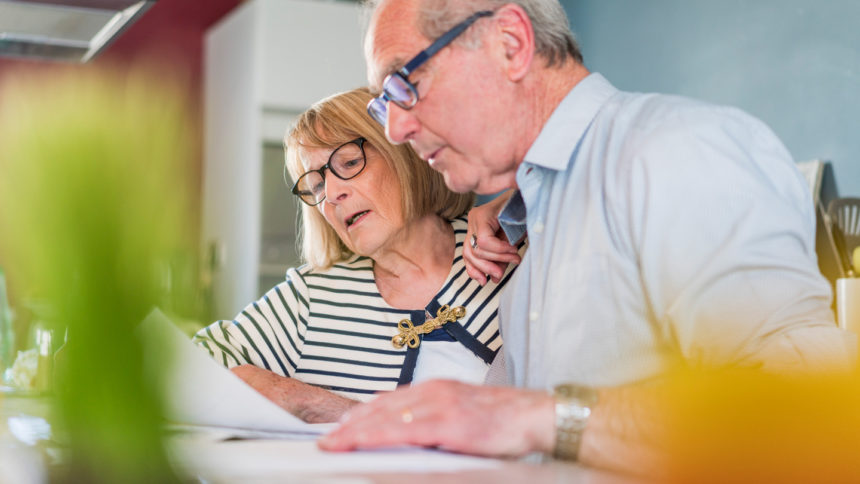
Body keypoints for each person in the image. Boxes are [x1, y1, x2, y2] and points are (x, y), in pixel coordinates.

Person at [318, 0, 856, 473]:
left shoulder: (679, 150)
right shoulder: (536, 213)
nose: (395, 130)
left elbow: (811, 421)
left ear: (510, 43)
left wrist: (544, 418)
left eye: (403, 84)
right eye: (383, 103)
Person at [193, 87, 525, 423]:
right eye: (317, 185)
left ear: (405, 153)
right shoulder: (311, 298)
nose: (332, 195)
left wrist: (520, 206)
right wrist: (302, 399)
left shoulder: (504, 248)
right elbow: (186, 369)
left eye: (350, 162)